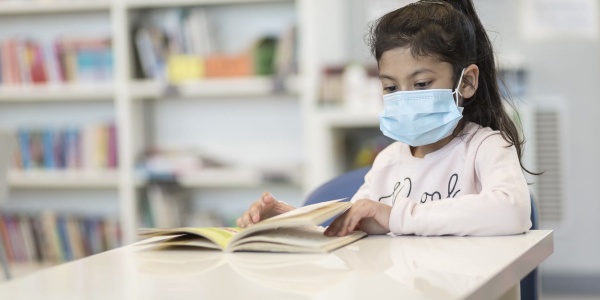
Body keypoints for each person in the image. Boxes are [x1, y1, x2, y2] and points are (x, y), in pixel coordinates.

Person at [237, 0, 536, 237]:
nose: (404, 97)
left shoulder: (485, 147)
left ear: (467, 82)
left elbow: (513, 212)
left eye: (421, 84)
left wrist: (395, 216)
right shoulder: (388, 162)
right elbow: (351, 228)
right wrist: (289, 218)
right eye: (391, 87)